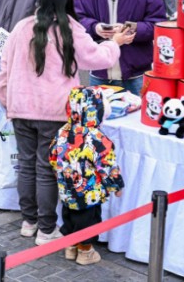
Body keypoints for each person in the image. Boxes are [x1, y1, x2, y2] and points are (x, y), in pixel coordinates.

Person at [0, 0, 128, 243]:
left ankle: (29, 221)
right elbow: (99, 58)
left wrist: (6, 100)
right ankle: (46, 230)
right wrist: (115, 42)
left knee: (26, 165)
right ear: (67, 2)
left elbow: (5, 68)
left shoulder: (22, 27)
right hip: (55, 111)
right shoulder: (70, 29)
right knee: (45, 170)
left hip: (21, 109)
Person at [74, 0, 166, 95]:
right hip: (100, 71)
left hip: (136, 73)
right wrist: (95, 28)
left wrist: (131, 29)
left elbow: (159, 24)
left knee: (137, 119)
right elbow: (76, 22)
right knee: (99, 119)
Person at [50, 87, 125, 265]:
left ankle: (71, 246)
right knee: (89, 220)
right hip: (89, 193)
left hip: (67, 188)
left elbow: (53, 154)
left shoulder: (63, 131)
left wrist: (58, 172)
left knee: (68, 215)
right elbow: (107, 165)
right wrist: (116, 185)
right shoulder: (96, 137)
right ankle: (85, 251)